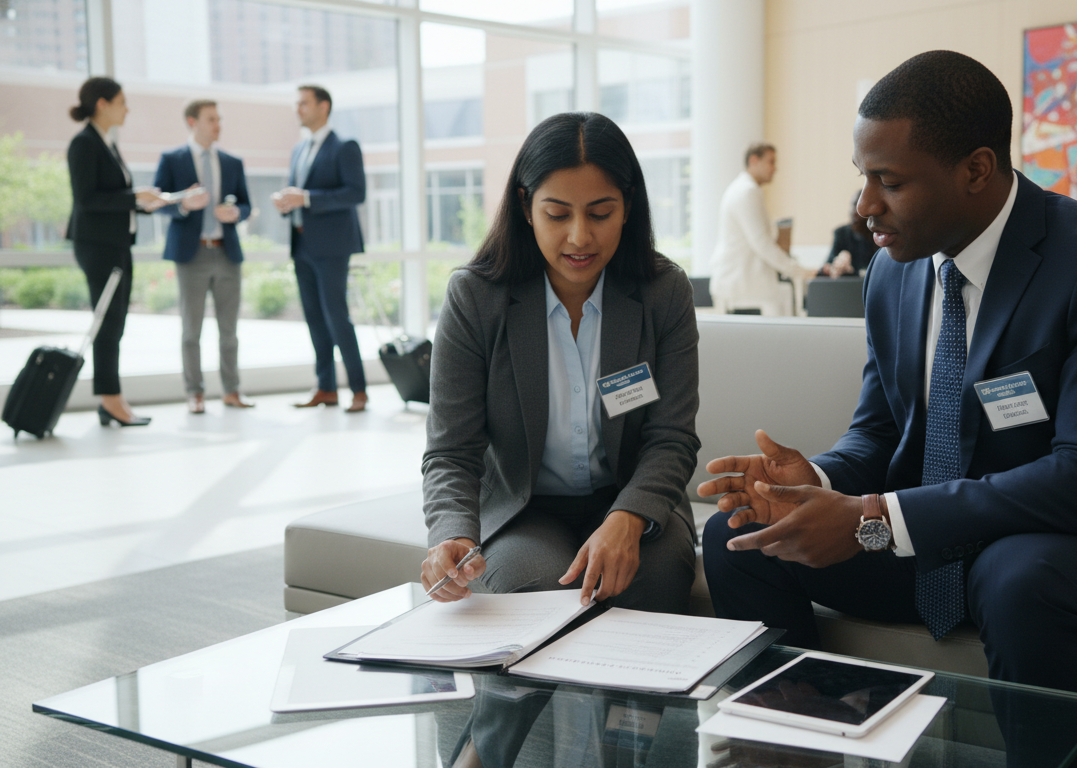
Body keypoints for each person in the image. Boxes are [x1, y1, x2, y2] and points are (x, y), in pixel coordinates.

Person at [697, 51, 1077, 768]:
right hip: (949, 536)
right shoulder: (893, 271)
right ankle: (810, 748)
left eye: (889, 182)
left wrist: (871, 520)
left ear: (977, 170)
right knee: (739, 538)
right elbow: (883, 432)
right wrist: (818, 485)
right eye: (862, 178)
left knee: (1020, 577)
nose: (864, 207)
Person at [419, 112, 700, 768]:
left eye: (601, 212)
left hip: (636, 504)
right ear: (524, 206)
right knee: (531, 592)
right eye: (557, 213)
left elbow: (670, 437)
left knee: (650, 588)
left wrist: (629, 518)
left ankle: (623, 753)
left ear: (628, 205)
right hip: (528, 507)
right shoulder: (477, 297)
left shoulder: (661, 292)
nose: (580, 236)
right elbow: (452, 449)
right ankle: (482, 757)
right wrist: (451, 534)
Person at [65, 77, 169, 428]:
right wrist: (133, 199)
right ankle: (110, 400)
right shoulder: (84, 144)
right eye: (122, 101)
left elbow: (111, 196)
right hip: (99, 247)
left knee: (116, 323)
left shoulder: (105, 143)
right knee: (108, 324)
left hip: (117, 244)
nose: (127, 108)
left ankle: (112, 398)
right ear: (102, 104)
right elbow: (87, 199)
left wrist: (140, 201)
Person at [153, 99, 254, 414]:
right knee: (191, 330)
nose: (218, 125)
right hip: (191, 253)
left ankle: (232, 391)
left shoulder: (232, 162)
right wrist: (184, 205)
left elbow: (247, 205)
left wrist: (236, 212)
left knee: (229, 331)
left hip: (226, 252)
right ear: (192, 121)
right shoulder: (172, 160)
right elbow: (159, 201)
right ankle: (195, 393)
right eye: (211, 119)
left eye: (219, 118)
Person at [272, 84, 368, 413]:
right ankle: (325, 388)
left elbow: (356, 193)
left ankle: (359, 389)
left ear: (323, 106)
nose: (298, 109)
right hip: (302, 244)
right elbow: (301, 193)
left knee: (337, 317)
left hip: (332, 247)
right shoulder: (299, 149)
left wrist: (307, 198)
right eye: (297, 103)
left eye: (304, 103)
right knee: (314, 318)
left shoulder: (344, 147)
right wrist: (288, 201)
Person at [708, 142, 812, 315]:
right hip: (741, 286)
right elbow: (761, 243)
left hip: (741, 284)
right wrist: (799, 271)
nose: (775, 169)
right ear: (754, 160)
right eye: (771, 162)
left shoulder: (743, 189)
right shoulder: (747, 191)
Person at [818, 190, 879, 277]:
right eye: (853, 205)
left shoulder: (878, 235)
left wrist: (853, 271)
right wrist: (831, 268)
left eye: (858, 206)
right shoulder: (841, 233)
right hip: (845, 286)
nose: (854, 211)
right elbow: (827, 266)